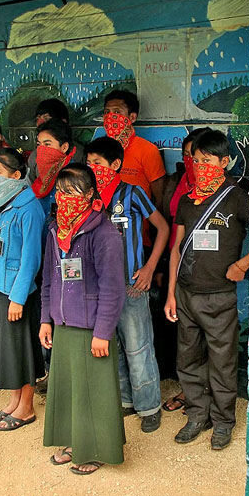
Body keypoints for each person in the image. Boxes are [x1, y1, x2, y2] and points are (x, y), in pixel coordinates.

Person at [164, 129, 249, 450]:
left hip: (220, 296)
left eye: (208, 160)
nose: (200, 166)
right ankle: (198, 414)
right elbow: (175, 249)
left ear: (225, 162)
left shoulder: (237, 197)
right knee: (188, 359)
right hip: (186, 295)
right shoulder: (187, 201)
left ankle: (223, 421)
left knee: (222, 361)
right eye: (196, 160)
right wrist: (172, 293)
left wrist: (242, 265)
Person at [40, 164, 126, 475]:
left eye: (73, 192)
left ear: (90, 195)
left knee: (95, 392)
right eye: (60, 192)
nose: (64, 198)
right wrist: (45, 319)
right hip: (63, 326)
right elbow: (49, 278)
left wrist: (103, 332)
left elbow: (113, 289)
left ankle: (97, 450)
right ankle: (75, 440)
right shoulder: (55, 232)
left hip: (92, 329)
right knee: (71, 390)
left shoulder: (105, 235)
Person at [85, 136, 169, 432]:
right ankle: (125, 401)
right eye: (89, 163)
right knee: (113, 346)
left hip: (132, 285)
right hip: (98, 289)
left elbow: (163, 227)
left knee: (138, 347)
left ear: (116, 165)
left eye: (98, 163)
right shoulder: (86, 197)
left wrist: (149, 267)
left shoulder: (132, 193)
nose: (93, 168)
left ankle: (149, 406)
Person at [0, 147, 45, 429]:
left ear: (16, 176)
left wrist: (18, 298)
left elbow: (31, 259)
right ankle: (14, 401)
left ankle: (26, 407)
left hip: (18, 294)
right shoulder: (0, 205)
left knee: (22, 351)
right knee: (8, 351)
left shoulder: (30, 209)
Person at [159, 128, 208, 413]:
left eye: (197, 156)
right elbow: (167, 221)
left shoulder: (224, 189)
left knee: (207, 337)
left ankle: (204, 393)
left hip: (207, 271)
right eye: (187, 155)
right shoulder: (175, 181)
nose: (191, 161)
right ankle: (188, 389)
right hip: (176, 263)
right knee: (184, 336)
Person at [102, 90, 166, 202]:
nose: (110, 117)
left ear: (132, 117)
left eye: (117, 112)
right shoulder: (98, 149)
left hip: (136, 217)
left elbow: (160, 197)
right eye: (107, 112)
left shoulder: (147, 150)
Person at [27, 99, 85, 183]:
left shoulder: (78, 155)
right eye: (37, 119)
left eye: (46, 118)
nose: (39, 123)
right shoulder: (35, 155)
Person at [31, 118, 77, 221]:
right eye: (39, 145)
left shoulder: (75, 175)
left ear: (64, 147)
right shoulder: (45, 173)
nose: (42, 149)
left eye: (47, 144)